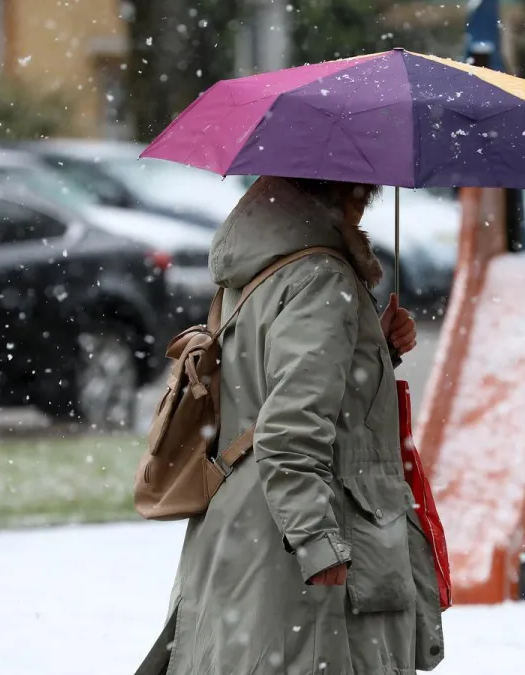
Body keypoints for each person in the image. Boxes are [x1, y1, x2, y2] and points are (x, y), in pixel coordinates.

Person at [134, 176, 445, 675]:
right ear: (346, 194)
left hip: (243, 518)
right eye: (365, 197)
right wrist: (316, 540)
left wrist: (373, 347)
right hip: (300, 534)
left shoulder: (261, 262)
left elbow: (267, 386)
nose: (365, 212)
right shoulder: (322, 279)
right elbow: (289, 427)